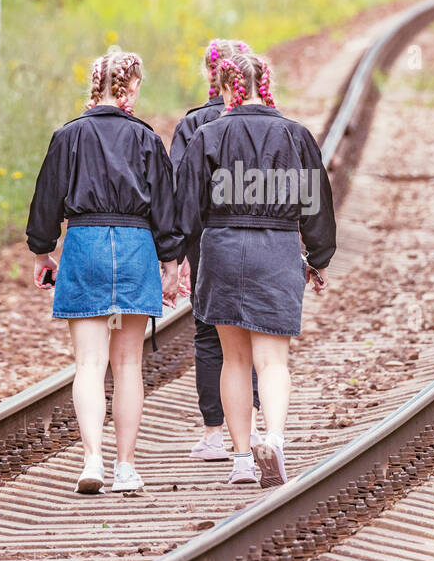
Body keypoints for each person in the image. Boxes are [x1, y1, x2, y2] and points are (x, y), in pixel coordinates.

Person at [175, 52, 336, 487]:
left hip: (222, 248)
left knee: (234, 359)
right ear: (266, 85)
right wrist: (318, 258)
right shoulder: (295, 135)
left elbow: (185, 208)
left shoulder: (207, 135)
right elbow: (317, 203)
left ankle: (242, 459)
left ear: (227, 88)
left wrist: (175, 259)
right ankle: (276, 440)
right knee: (272, 360)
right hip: (277, 247)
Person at [26, 50, 181, 495]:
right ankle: (125, 467)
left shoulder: (67, 136)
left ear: (95, 86)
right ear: (131, 88)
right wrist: (170, 263)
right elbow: (165, 209)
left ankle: (91, 458)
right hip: (134, 247)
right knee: (128, 362)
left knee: (89, 364)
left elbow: (46, 200)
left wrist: (42, 252)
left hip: (85, 245)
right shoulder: (148, 140)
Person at [170, 39, 261, 461]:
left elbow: (178, 192)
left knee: (209, 335)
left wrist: (175, 254)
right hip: (258, 236)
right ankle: (255, 426)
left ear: (210, 73)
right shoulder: (265, 121)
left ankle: (214, 434)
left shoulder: (194, 125)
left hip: (207, 241)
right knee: (256, 331)